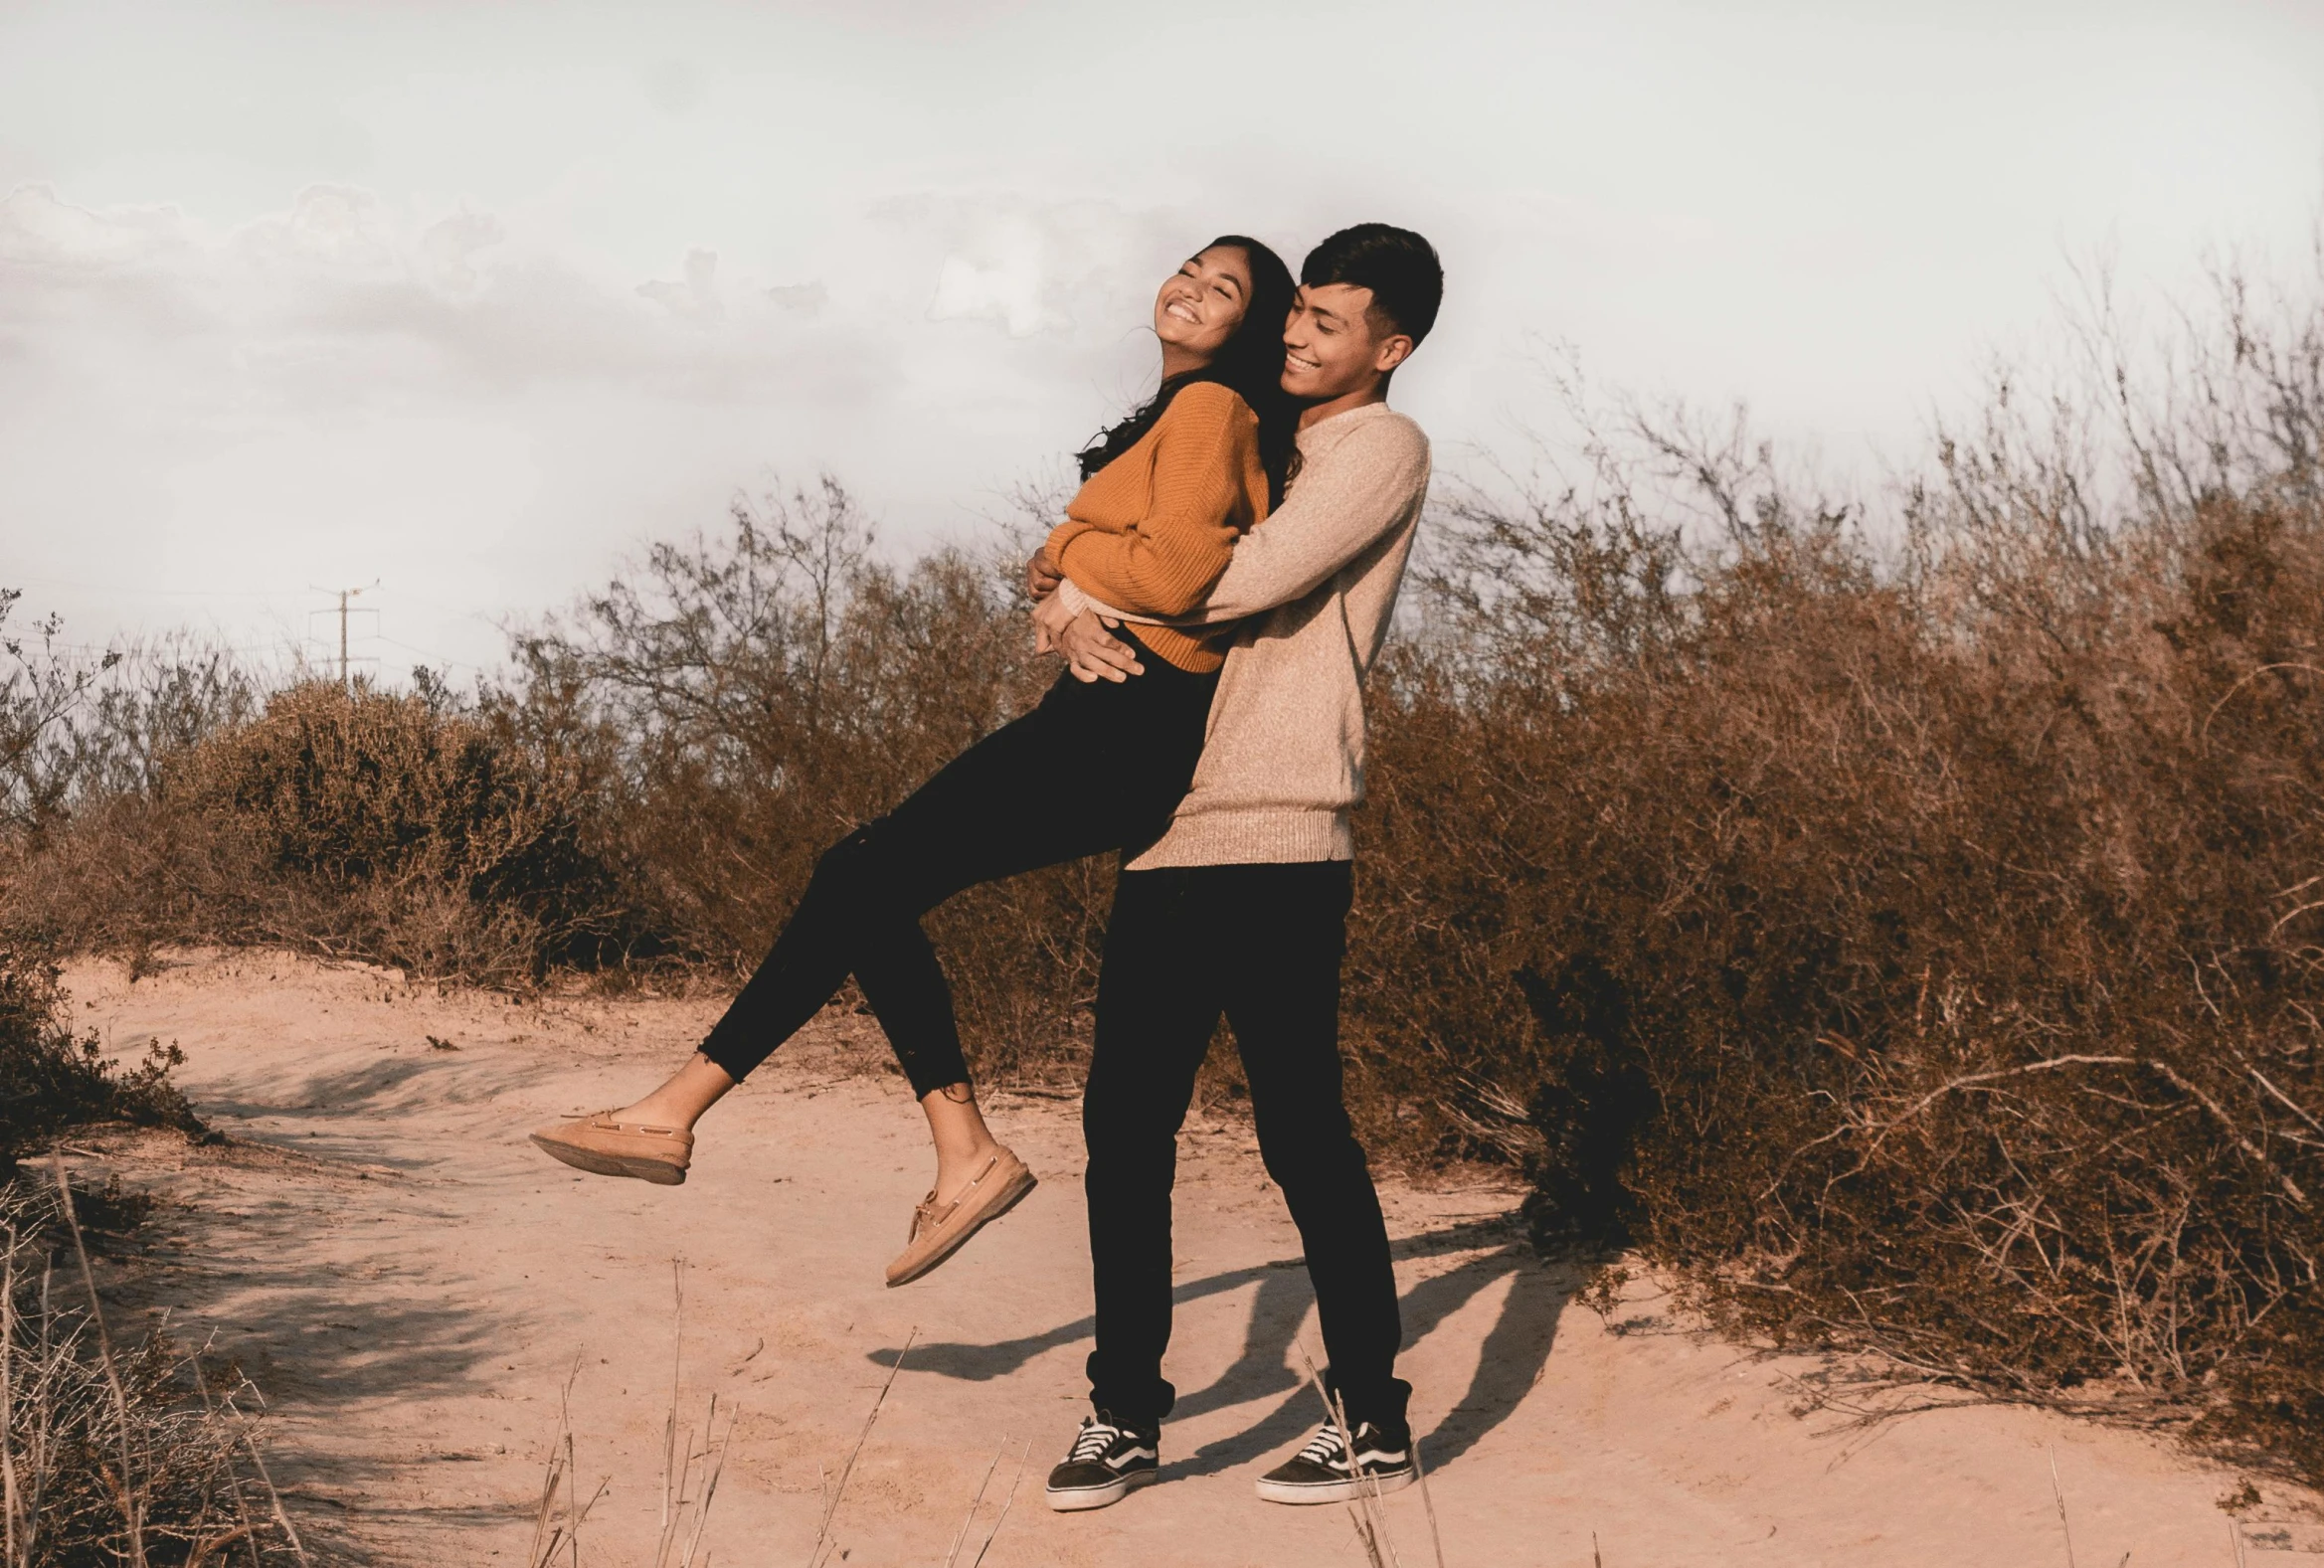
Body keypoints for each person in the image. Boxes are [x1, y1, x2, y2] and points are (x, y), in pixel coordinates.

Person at [529, 237, 1300, 1289]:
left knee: (861, 872)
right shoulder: (1172, 414)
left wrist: (1063, 562)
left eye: (1226, 291)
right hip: (1104, 710)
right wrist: (1057, 590)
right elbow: (1100, 569)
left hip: (1130, 719)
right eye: (1191, 270)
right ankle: (935, 1149)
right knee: (864, 876)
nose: (1194, 292)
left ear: (1247, 329)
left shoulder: (1215, 408)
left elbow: (1174, 571)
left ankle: (693, 1117)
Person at [1031, 224, 1443, 1511]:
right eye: (1298, 310)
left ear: (1394, 346)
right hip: (1168, 822)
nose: (1299, 333)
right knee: (1121, 1130)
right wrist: (1055, 594)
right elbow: (1127, 542)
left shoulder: (1378, 446)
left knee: (1301, 1134)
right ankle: (1125, 1414)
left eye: (1330, 321)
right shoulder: (1253, 428)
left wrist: (1076, 572)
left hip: (1278, 824)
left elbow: (1226, 579)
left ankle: (1373, 1417)